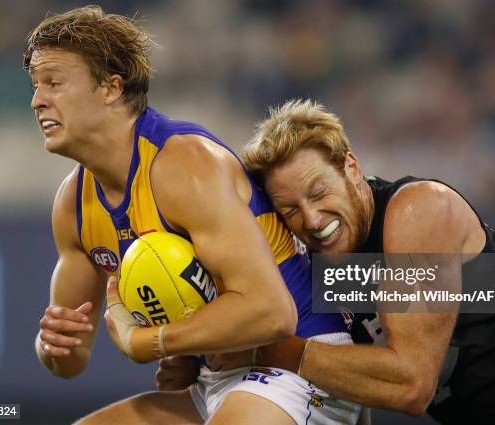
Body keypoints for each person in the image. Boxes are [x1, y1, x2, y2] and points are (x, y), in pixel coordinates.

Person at [27, 7, 361, 425]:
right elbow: (71, 362)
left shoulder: (185, 164)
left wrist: (150, 342)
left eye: (54, 83)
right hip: (215, 380)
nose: (38, 99)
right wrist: (54, 346)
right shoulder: (72, 204)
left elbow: (272, 313)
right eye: (36, 85)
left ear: (111, 87)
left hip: (302, 362)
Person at [160, 99, 495, 424]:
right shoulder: (323, 265)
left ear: (351, 167)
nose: (313, 219)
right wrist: (196, 364)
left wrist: (263, 353)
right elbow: (350, 379)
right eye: (290, 210)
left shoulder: (416, 211)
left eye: (319, 193)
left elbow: (411, 385)